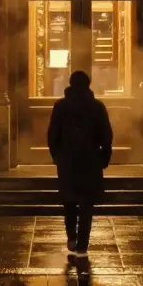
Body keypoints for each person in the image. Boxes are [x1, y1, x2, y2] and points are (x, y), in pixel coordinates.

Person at [47, 70, 113, 256]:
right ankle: (83, 243)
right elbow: (106, 135)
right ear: (88, 84)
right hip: (90, 160)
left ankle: (72, 237)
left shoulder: (60, 106)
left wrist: (56, 155)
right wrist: (104, 158)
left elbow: (53, 134)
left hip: (67, 160)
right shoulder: (97, 107)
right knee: (86, 204)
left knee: (69, 202)